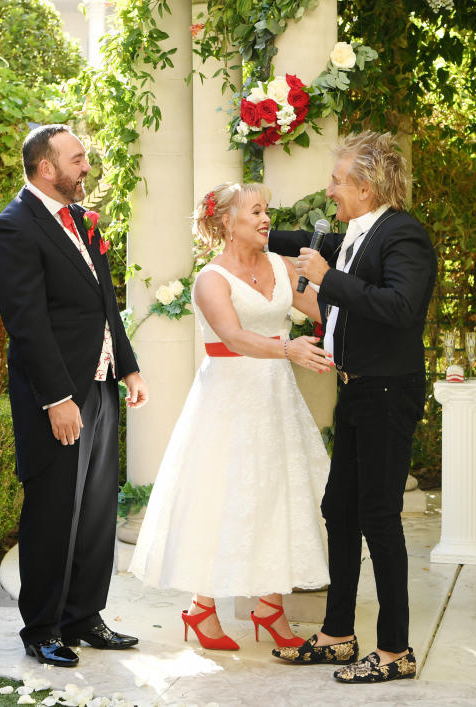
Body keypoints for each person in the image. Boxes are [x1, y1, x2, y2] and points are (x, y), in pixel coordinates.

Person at [128, 182, 333, 651]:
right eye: (256, 211)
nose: (266, 219)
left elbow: (321, 310)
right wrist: (289, 347)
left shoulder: (282, 267)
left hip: (276, 397)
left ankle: (270, 608)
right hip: (227, 399)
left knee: (278, 492)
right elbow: (233, 336)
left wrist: (355, 304)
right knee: (225, 495)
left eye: (267, 210)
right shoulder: (210, 279)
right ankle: (201, 610)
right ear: (226, 221)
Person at [267, 131, 436, 683]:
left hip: (390, 392)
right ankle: (338, 634)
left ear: (364, 187)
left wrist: (327, 279)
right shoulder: (359, 235)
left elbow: (401, 307)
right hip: (359, 389)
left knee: (379, 518)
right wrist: (248, 228)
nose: (329, 188)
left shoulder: (403, 235)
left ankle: (395, 651)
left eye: (337, 180)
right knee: (339, 509)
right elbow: (301, 241)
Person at [0, 124, 148, 668]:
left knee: (98, 509)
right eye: (77, 159)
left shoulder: (80, 220)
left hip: (99, 384)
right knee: (54, 511)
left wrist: (127, 368)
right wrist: (56, 398)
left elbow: (106, 300)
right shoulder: (13, 228)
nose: (86, 168)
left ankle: (84, 616)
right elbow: (27, 324)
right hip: (55, 395)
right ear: (45, 167)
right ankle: (43, 628)